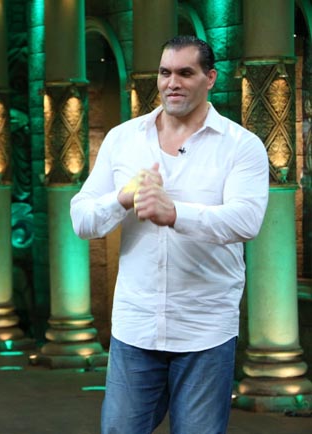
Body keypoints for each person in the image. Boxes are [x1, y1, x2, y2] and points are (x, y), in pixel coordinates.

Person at [70, 36, 269, 433]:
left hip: (204, 328)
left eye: (185, 73)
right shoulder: (122, 139)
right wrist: (123, 198)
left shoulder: (241, 146)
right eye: (165, 73)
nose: (172, 83)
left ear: (210, 78)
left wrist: (174, 213)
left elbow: (246, 220)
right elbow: (82, 219)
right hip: (136, 325)